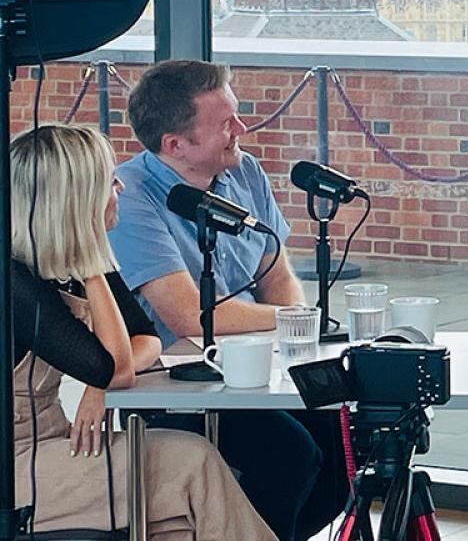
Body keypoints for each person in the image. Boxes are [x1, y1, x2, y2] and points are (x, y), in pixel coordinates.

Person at [108, 60, 346, 541]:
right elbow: (190, 316)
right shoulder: (130, 195)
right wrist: (297, 322)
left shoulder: (244, 171)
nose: (242, 129)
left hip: (255, 369)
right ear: (175, 145)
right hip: (177, 385)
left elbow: (274, 271)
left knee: (342, 454)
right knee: (290, 456)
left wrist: (294, 329)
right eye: (226, 124)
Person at [9, 124, 275, 540]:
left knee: (178, 528)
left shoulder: (76, 262)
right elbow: (113, 368)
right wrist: (91, 254)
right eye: (108, 182)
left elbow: (146, 337)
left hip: (57, 443)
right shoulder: (16, 283)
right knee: (194, 461)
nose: (121, 188)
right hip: (16, 467)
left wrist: (101, 385)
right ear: (77, 202)